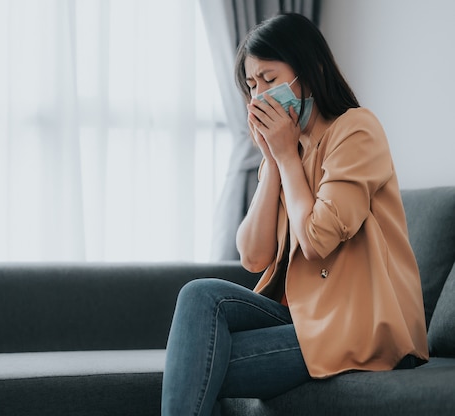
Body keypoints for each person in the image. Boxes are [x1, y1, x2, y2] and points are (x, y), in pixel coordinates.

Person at [161, 12, 429, 416]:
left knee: (196, 362)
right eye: (252, 86)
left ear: (310, 70)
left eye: (270, 80)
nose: (259, 96)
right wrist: (271, 160)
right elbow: (252, 256)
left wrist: (285, 155)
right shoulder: (291, 152)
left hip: (362, 325)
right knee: (199, 295)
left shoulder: (356, 130)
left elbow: (318, 240)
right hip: (303, 316)